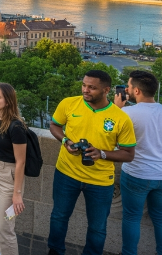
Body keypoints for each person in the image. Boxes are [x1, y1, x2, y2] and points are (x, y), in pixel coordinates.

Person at [48, 70, 136, 255]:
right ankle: (55, 251)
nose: (85, 90)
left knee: (97, 228)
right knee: (58, 217)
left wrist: (101, 154)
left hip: (100, 181)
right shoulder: (69, 104)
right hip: (66, 173)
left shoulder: (120, 118)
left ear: (106, 90)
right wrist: (66, 142)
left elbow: (128, 154)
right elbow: (54, 125)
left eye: (92, 87)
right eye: (84, 85)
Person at [115, 70, 162, 255]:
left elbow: (112, 140)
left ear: (136, 91)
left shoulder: (127, 113)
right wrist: (158, 141)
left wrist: (117, 108)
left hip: (137, 174)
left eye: (128, 86)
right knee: (161, 217)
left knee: (131, 217)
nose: (127, 90)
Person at [0, 83, 27, 255]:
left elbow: (21, 162)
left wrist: (17, 194)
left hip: (9, 177)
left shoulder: (16, 127)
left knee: (5, 226)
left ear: (8, 101)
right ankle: (4, 252)